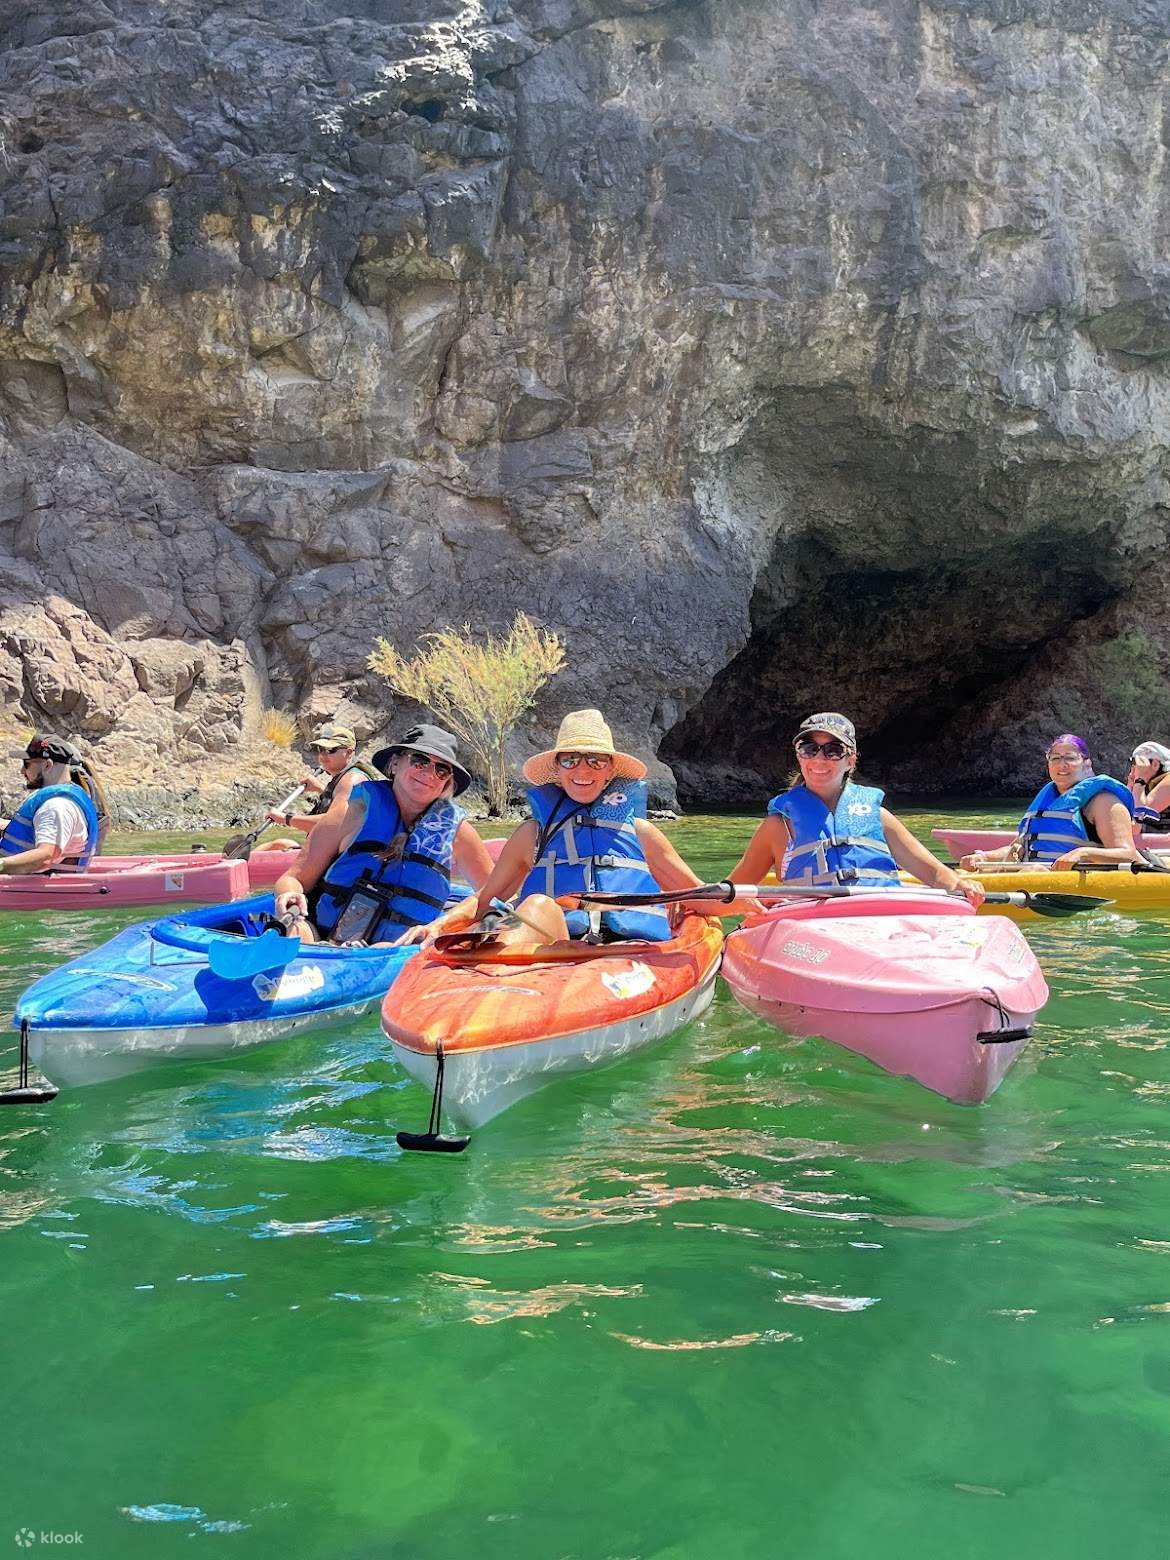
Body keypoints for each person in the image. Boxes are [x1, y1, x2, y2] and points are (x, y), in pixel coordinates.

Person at [431, 709, 728, 948]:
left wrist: (757, 910)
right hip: (551, 948)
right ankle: (498, 974)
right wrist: (440, 924)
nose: (582, 770)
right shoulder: (531, 835)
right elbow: (486, 900)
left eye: (595, 761)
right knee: (536, 905)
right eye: (570, 760)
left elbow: (699, 894)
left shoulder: (642, 833)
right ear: (558, 769)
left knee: (535, 906)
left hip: (628, 950)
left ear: (610, 769)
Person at [726, 713, 985, 906]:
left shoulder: (879, 819)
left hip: (879, 921)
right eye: (809, 749)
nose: (819, 759)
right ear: (799, 756)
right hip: (810, 927)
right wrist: (693, 905)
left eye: (833, 751)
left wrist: (961, 885)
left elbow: (934, 873)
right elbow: (732, 889)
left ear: (851, 761)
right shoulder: (778, 826)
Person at [273, 724, 493, 944]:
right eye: (420, 761)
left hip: (400, 952)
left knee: (385, 946)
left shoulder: (459, 834)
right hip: (324, 942)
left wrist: (443, 925)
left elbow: (495, 895)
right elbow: (293, 879)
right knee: (295, 930)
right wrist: (288, 895)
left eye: (441, 770)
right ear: (395, 763)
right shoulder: (351, 813)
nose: (429, 774)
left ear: (447, 781)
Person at [959, 733, 1138, 870]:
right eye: (1055, 758)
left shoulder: (1105, 802)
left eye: (1070, 758)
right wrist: (984, 857)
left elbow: (1128, 856)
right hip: (1034, 873)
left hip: (1074, 880)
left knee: (1031, 872)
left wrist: (1082, 853)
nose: (1062, 765)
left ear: (1087, 764)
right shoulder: (1047, 801)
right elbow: (1019, 848)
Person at [0, 734, 110, 874]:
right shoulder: (59, 803)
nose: (22, 771)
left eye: (27, 764)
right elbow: (37, 831)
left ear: (48, 765)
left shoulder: (56, 806)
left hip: (31, 892)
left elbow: (46, 856)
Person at [264, 724, 380, 837]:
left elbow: (332, 824)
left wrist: (286, 819)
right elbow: (339, 802)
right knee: (281, 844)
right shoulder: (346, 777)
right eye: (321, 749)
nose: (323, 755)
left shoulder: (351, 780)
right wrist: (321, 789)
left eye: (330, 750)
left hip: (348, 854)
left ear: (349, 752)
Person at [1127, 741, 1170, 834]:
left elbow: (1141, 815)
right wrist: (1130, 786)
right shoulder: (1146, 787)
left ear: (1155, 764)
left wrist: (1140, 780)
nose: (1133, 770)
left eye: (1137, 764)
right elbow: (1130, 825)